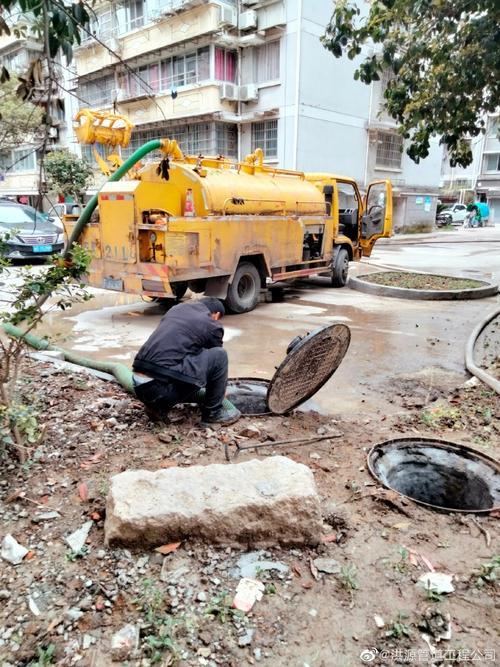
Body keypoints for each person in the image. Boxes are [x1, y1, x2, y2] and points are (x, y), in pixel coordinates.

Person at [133, 297, 241, 426]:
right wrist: (219, 392)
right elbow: (215, 365)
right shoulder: (212, 324)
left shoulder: (176, 309)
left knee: (171, 362)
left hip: (138, 386)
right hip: (160, 390)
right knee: (220, 356)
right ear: (216, 315)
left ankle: (157, 408)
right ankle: (213, 414)